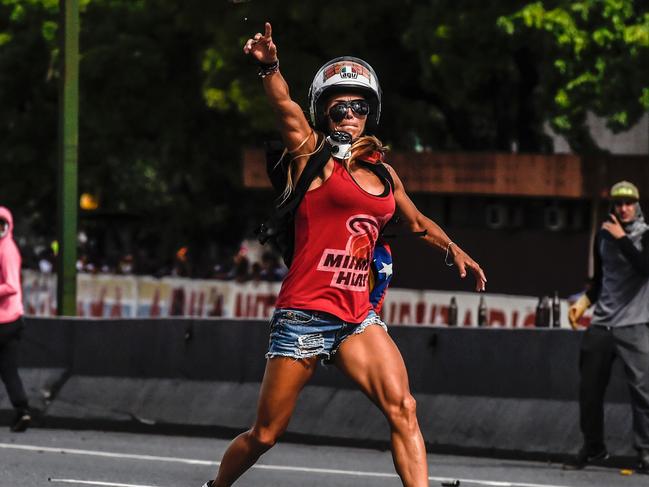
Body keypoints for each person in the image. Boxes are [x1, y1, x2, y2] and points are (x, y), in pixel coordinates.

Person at [200, 23, 487, 487]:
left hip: (357, 317)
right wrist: (270, 67)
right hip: (305, 316)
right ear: (325, 113)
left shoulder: (385, 176)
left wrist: (453, 248)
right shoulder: (311, 156)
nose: (349, 114)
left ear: (369, 113)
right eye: (339, 106)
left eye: (358, 106)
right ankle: (216, 486)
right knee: (266, 434)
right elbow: (284, 107)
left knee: (404, 407)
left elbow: (415, 224)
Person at [566, 180, 649, 473]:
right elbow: (600, 280)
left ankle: (646, 451)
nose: (624, 208)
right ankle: (593, 447)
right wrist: (585, 302)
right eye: (618, 203)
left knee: (643, 393)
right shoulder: (602, 236)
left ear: (637, 205)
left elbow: (645, 268)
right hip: (602, 323)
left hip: (635, 324)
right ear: (612, 205)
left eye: (629, 203)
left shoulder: (644, 236)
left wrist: (622, 239)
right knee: (589, 390)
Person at [0, 207, 32, 432]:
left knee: (8, 369)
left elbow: (12, 285)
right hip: (10, 321)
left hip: (4, 320)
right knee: (8, 369)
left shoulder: (7, 249)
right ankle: (22, 411)